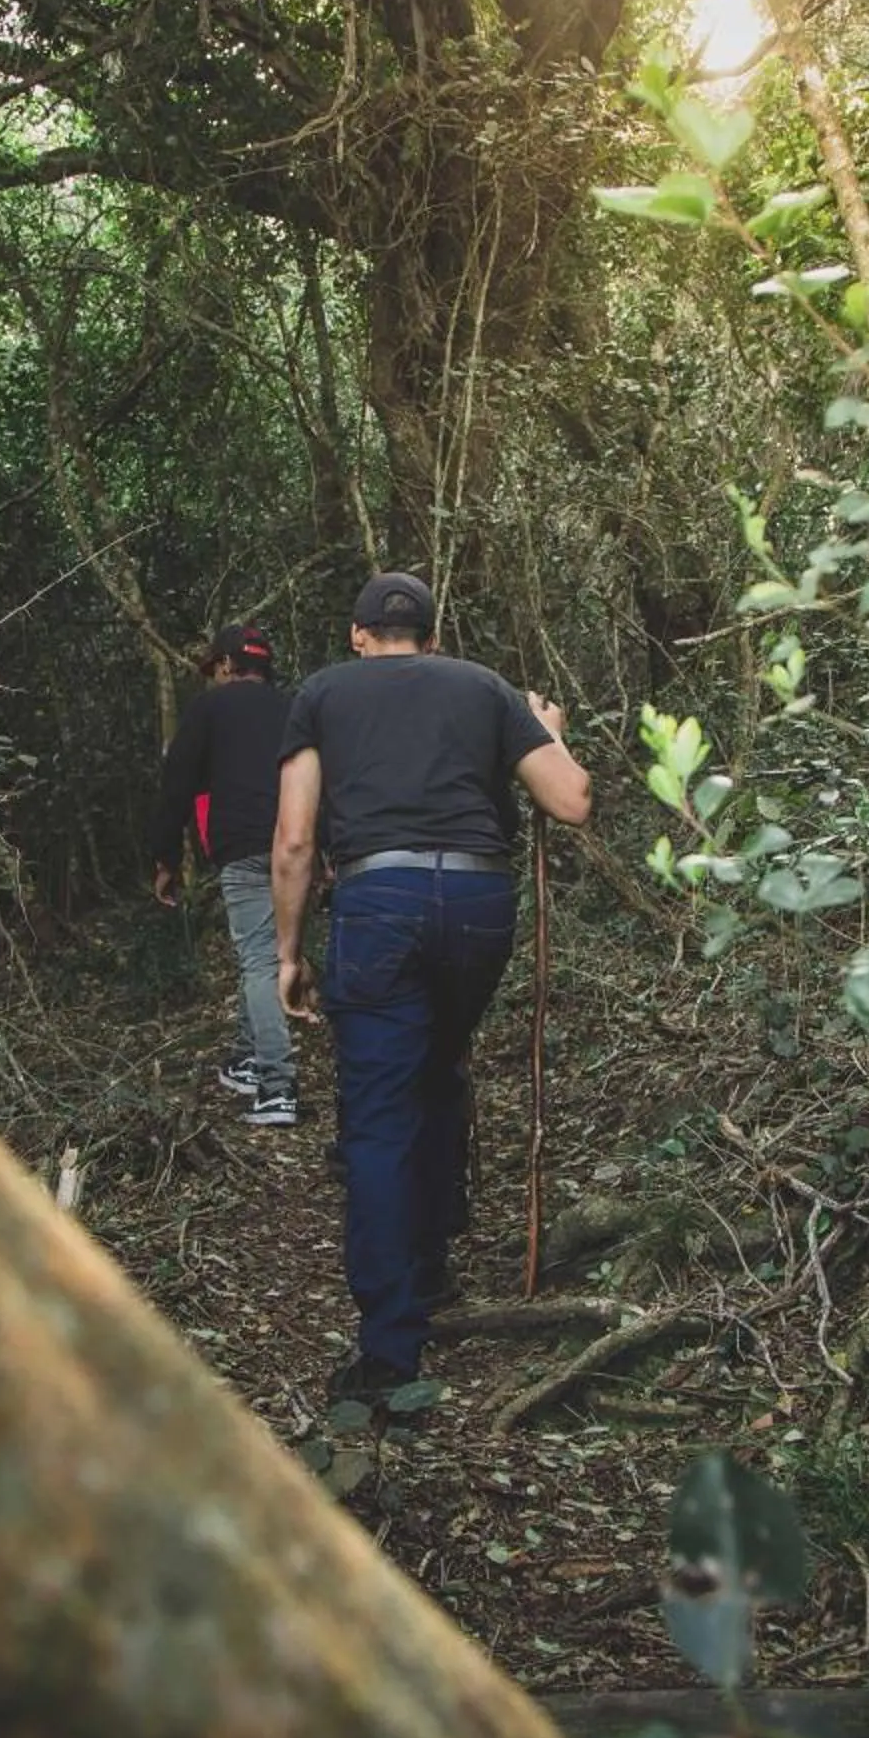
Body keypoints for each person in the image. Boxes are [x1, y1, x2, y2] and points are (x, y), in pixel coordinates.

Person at [272, 573, 592, 1405]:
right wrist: (550, 735)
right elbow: (571, 801)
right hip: (479, 907)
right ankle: (435, 1256)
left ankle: (390, 1350)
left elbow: (296, 840)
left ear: (357, 635)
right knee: (439, 1064)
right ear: (434, 636)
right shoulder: (483, 686)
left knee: (379, 1115)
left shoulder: (322, 695)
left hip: (378, 903)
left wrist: (289, 952)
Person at [150, 623, 301, 1127]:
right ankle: (245, 1055)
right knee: (271, 950)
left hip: (242, 845)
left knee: (258, 960)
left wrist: (166, 859)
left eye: (214, 667)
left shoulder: (208, 710)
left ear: (226, 665)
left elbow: (177, 785)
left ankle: (277, 1086)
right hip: (296, 845)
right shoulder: (293, 708)